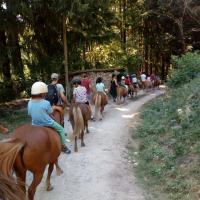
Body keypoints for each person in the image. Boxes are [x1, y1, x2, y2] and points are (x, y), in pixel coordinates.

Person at [28, 81, 71, 154]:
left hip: (34, 124)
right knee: (61, 129)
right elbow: (50, 114)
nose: (46, 94)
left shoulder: (29, 102)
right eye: (45, 93)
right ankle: (63, 146)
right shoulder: (46, 103)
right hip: (47, 123)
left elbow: (30, 114)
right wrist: (55, 120)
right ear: (42, 93)